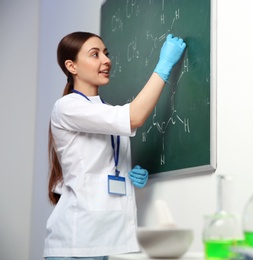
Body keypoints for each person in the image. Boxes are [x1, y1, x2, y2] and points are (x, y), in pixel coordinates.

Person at [44, 31, 186, 259]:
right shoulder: (67, 107)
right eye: (95, 54)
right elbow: (134, 117)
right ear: (72, 66)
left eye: (106, 53)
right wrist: (165, 64)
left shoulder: (105, 110)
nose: (106, 60)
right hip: (78, 240)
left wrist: (128, 174)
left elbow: (98, 165)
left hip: (108, 239)